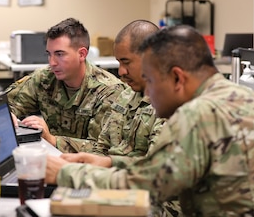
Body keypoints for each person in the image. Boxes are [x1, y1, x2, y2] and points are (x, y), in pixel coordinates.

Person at [46, 25, 254, 216]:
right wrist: (110, 161)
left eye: (151, 81)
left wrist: (64, 173)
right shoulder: (240, 96)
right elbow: (168, 168)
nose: (147, 92)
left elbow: (145, 187)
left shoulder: (199, 115)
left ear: (177, 78)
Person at [60, 19, 181, 216]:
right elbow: (101, 149)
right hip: (118, 188)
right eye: (118, 63)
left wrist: (80, 175)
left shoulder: (171, 105)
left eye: (126, 62)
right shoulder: (127, 95)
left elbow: (153, 175)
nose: (121, 72)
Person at [6, 17, 126, 153]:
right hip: (51, 158)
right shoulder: (45, 78)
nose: (52, 62)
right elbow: (4, 104)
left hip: (87, 170)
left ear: (82, 54)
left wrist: (52, 140)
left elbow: (103, 150)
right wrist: (8, 115)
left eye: (59, 54)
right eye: (49, 54)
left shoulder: (109, 91)